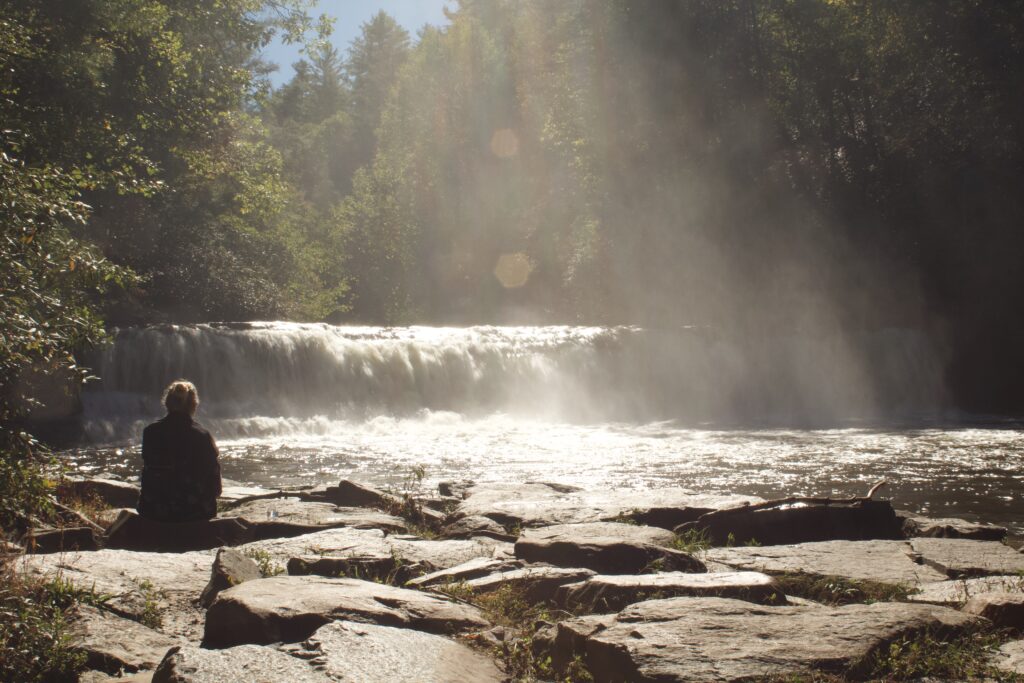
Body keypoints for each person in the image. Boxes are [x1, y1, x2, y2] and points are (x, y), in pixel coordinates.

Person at [137, 380, 222, 522]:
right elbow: (216, 487)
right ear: (194, 405)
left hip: (154, 510)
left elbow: (148, 472)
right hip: (194, 512)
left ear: (167, 403)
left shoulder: (150, 432)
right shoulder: (202, 435)